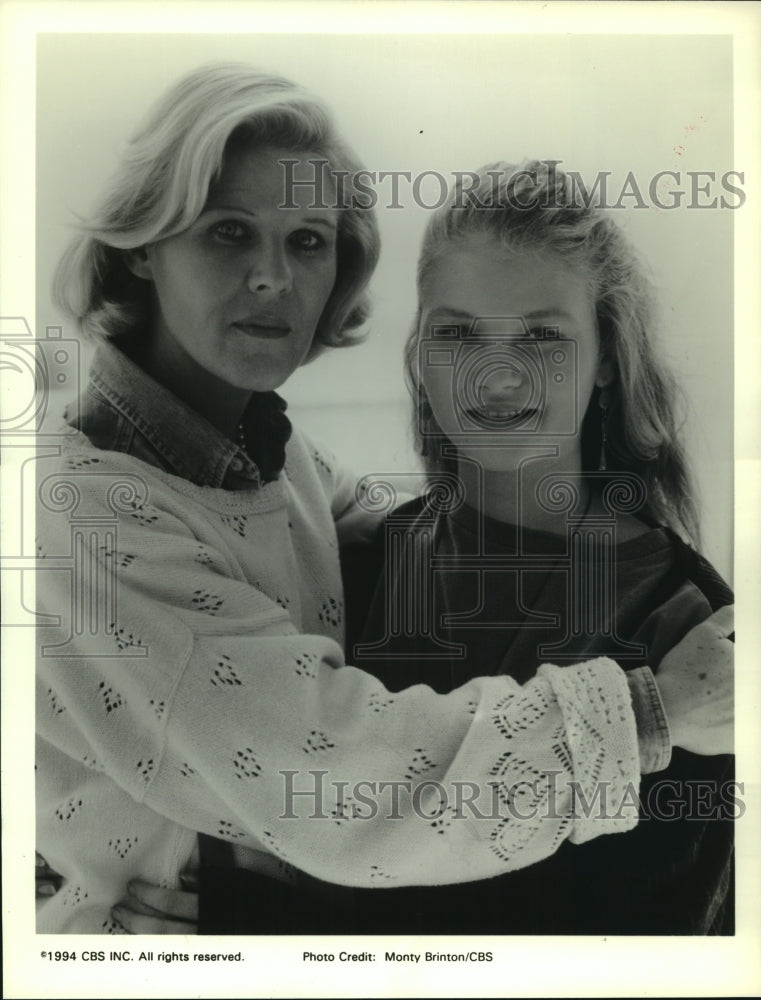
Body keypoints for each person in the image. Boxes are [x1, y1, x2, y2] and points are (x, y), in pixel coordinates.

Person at [35, 64, 733, 935]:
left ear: (607, 362)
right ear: (142, 243)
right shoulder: (78, 513)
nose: (271, 278)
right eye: (226, 233)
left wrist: (276, 935)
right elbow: (340, 778)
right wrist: (645, 713)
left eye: (307, 242)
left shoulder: (687, 631)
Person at [336, 160, 735, 933]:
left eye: (542, 337)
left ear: (608, 359)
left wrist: (264, 916)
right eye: (456, 332)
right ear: (419, 354)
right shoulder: (356, 566)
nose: (496, 375)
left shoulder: (692, 636)